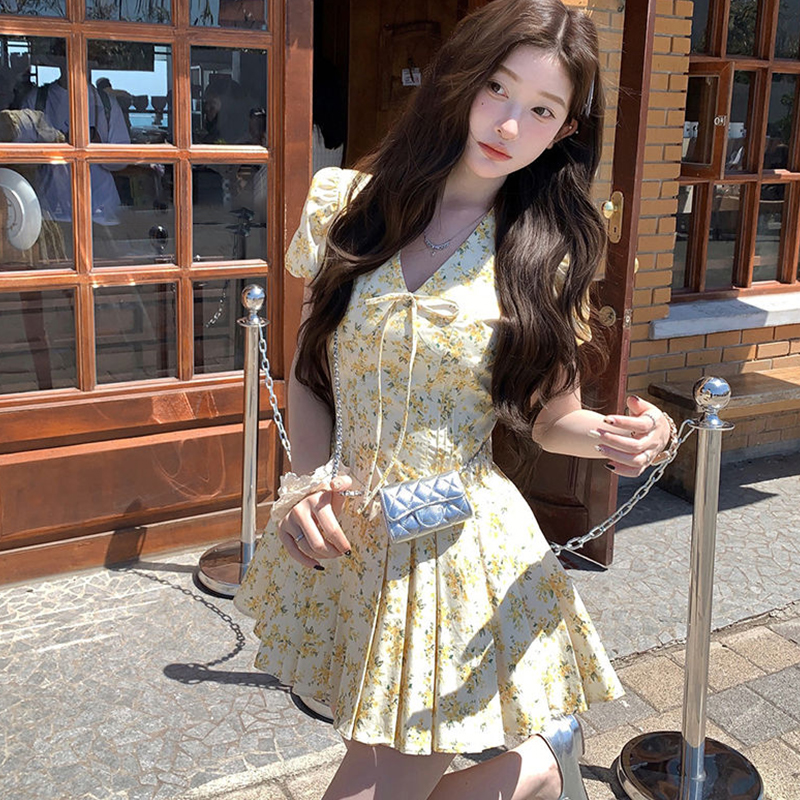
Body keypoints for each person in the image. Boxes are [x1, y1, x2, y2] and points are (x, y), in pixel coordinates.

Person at [234, 1, 675, 798]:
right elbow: (308, 369)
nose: (508, 123)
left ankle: (536, 765)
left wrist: (629, 436)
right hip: (355, 537)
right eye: (497, 88)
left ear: (565, 130)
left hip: (457, 551)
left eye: (540, 109)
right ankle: (537, 769)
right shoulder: (346, 204)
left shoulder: (543, 253)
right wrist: (310, 483)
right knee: (377, 762)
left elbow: (554, 420)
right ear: (461, 78)